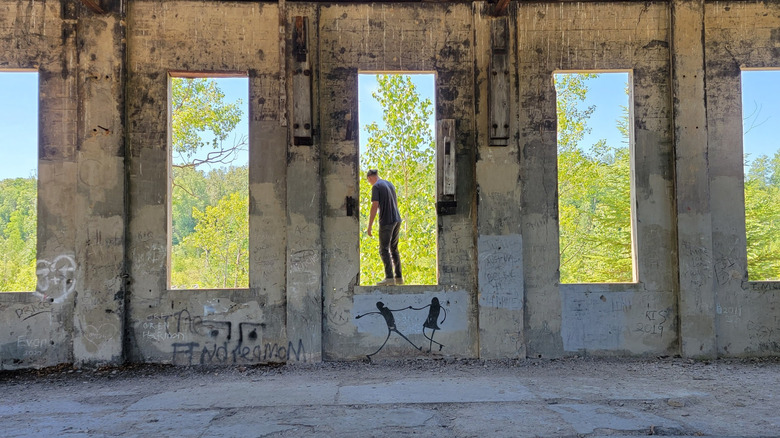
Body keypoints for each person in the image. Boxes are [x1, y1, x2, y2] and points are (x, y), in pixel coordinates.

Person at [366, 169, 403, 286]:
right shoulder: (389, 184)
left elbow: (374, 206)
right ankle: (398, 277)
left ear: (370, 178)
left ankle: (389, 278)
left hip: (386, 220)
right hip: (397, 219)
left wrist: (370, 226)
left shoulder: (376, 186)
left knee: (383, 249)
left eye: (369, 181)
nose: (370, 183)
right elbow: (395, 203)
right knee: (394, 248)